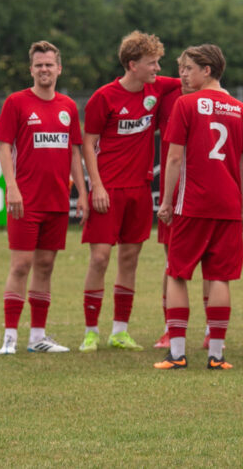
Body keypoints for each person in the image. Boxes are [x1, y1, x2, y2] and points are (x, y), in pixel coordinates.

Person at [154, 44, 243, 370]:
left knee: (177, 273)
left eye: (188, 68)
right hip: (227, 206)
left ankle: (177, 353)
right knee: (220, 278)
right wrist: (242, 210)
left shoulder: (185, 105)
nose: (182, 74)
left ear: (208, 70)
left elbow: (173, 157)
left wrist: (166, 202)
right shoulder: (242, 110)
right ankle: (216, 354)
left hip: (192, 204)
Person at [79, 31, 182, 353]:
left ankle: (119, 331)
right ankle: (91, 331)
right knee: (99, 258)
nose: (158, 68)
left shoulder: (158, 87)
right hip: (107, 190)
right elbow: (88, 142)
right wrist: (95, 185)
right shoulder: (104, 97)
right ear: (132, 64)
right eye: (152, 63)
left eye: (159, 62)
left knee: (129, 258)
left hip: (140, 189)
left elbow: (194, 82)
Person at [0, 41, 89, 355]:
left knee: (45, 266)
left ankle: (37, 337)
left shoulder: (68, 107)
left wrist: (83, 194)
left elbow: (75, 151)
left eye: (49, 64)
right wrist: (12, 187)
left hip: (58, 201)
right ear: (31, 69)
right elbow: (4, 146)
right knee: (21, 264)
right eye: (39, 65)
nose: (44, 70)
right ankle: (9, 337)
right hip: (26, 200)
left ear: (59, 68)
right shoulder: (16, 102)